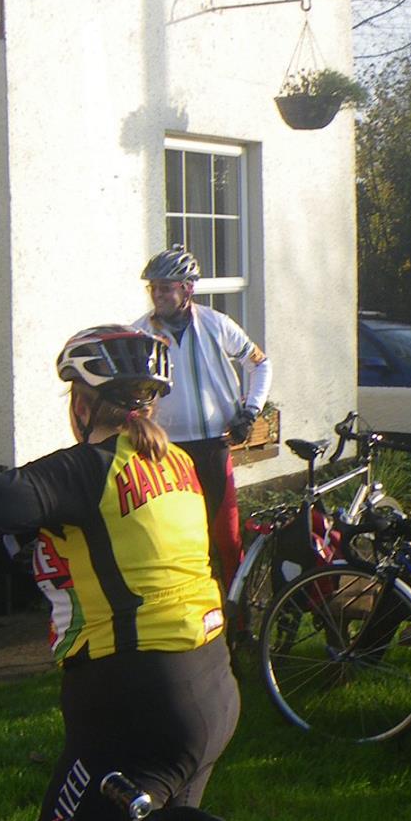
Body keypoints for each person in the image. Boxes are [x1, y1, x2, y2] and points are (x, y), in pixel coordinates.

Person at [0, 325, 237, 821]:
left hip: (134, 709)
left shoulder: (86, 470)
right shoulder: (177, 464)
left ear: (83, 401)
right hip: (209, 690)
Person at [132, 245, 270, 593]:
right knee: (173, 538)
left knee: (226, 536)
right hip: (164, 453)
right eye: (153, 288)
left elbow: (260, 363)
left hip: (212, 446)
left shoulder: (215, 324)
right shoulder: (138, 335)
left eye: (166, 287)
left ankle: (239, 620)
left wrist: (250, 411)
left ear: (187, 288)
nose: (158, 295)